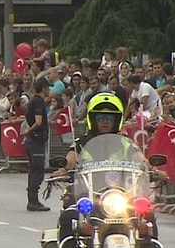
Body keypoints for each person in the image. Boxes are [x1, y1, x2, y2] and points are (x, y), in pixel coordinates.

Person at [52, 92, 167, 248]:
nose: (105, 122)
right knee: (70, 216)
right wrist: (64, 170)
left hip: (121, 194)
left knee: (146, 214)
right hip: (89, 194)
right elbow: (71, 159)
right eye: (100, 118)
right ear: (93, 119)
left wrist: (153, 169)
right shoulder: (82, 142)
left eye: (109, 118)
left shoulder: (125, 143)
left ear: (116, 120)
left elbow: (140, 159)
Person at [24, 77, 50, 211]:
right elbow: (38, 122)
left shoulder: (32, 101)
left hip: (31, 141)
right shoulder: (39, 102)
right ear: (44, 88)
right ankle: (33, 201)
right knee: (37, 169)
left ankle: (32, 199)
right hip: (36, 140)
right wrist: (30, 129)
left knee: (33, 169)